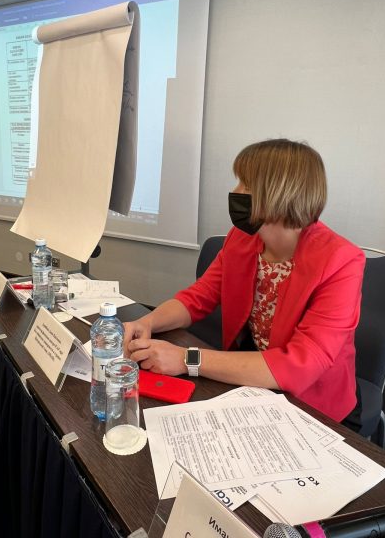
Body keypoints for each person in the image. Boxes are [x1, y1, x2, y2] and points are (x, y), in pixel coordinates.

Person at [123, 138, 365, 423]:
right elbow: (198, 297)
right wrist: (148, 322)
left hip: (313, 402)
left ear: (279, 194)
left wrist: (187, 359)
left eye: (245, 185)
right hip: (252, 376)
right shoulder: (242, 238)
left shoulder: (341, 261)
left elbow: (301, 365)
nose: (235, 192)